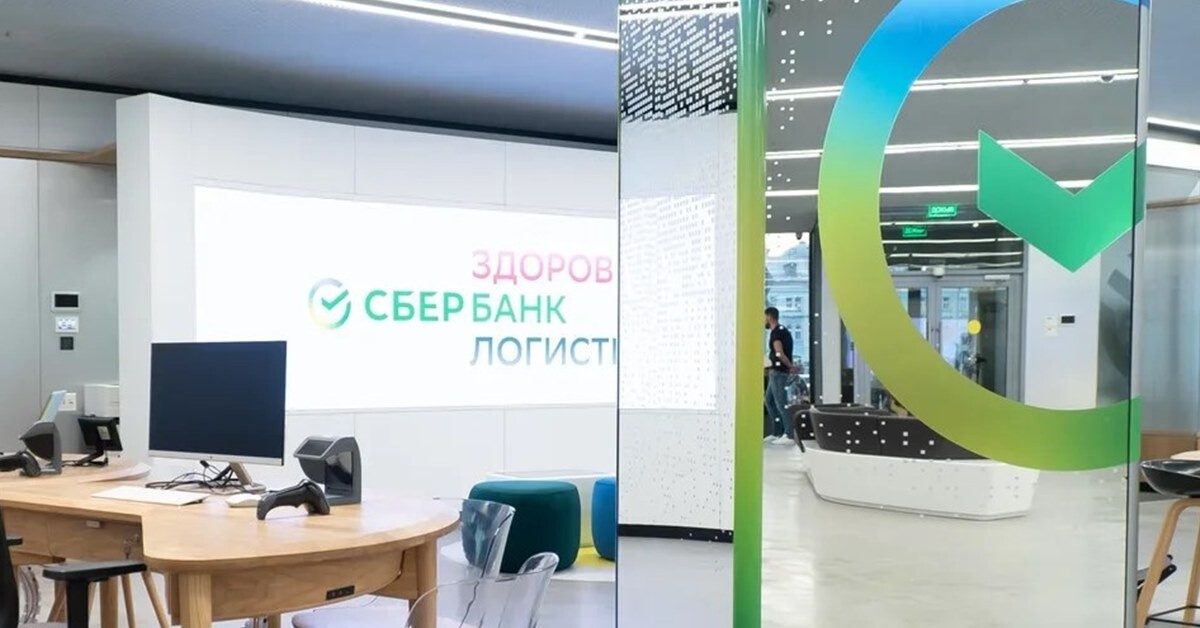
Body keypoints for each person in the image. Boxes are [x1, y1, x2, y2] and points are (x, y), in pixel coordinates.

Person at [763, 307, 798, 445]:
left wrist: (790, 366)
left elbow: (779, 353)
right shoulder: (782, 331)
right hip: (776, 371)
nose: (763, 321)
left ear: (769, 317)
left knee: (780, 403)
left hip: (778, 372)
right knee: (769, 401)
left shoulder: (777, 333)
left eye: (764, 317)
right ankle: (777, 432)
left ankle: (789, 434)